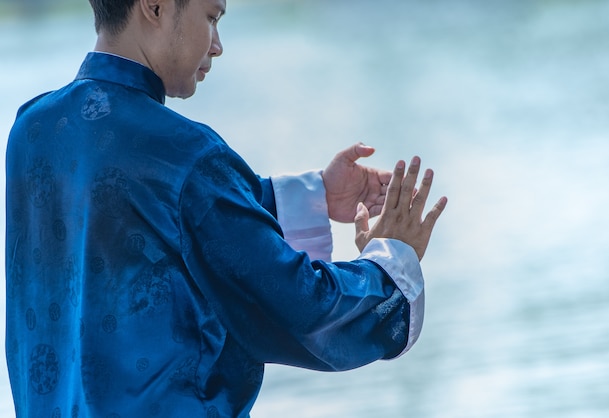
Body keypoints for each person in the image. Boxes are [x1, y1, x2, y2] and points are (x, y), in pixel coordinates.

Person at [4, 0, 447, 416]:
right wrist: (391, 265)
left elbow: (160, 221)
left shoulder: (31, 130)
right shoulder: (185, 154)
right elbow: (301, 309)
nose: (217, 45)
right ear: (155, 6)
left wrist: (317, 196)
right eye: (211, 17)